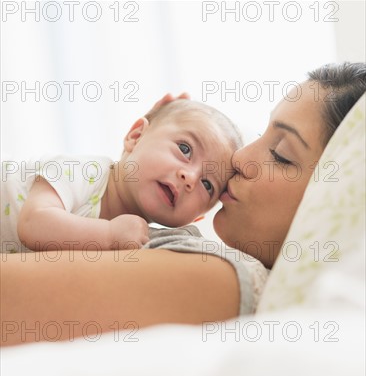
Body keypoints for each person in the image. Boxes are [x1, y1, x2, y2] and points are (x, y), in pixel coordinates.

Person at [1, 62, 365, 346]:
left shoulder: (221, 278)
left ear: (334, 194)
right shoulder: (90, 177)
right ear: (135, 134)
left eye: (280, 155)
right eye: (260, 136)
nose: (239, 159)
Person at [1, 100, 241, 253]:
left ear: (198, 217)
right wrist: (108, 235)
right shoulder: (87, 172)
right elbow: (33, 224)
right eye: (185, 149)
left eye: (207, 184)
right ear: (136, 136)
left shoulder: (135, 241)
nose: (189, 177)